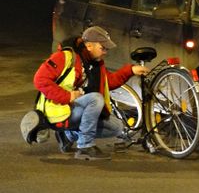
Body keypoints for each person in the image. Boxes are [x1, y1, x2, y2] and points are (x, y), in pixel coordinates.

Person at [33, 26, 149, 161]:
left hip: (76, 108)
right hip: (60, 110)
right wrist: (68, 96)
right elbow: (40, 80)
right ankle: (85, 147)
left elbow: (108, 82)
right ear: (89, 46)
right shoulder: (65, 56)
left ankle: (68, 135)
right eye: (103, 48)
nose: (105, 52)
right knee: (96, 99)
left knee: (116, 128)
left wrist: (131, 71)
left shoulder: (96, 63)